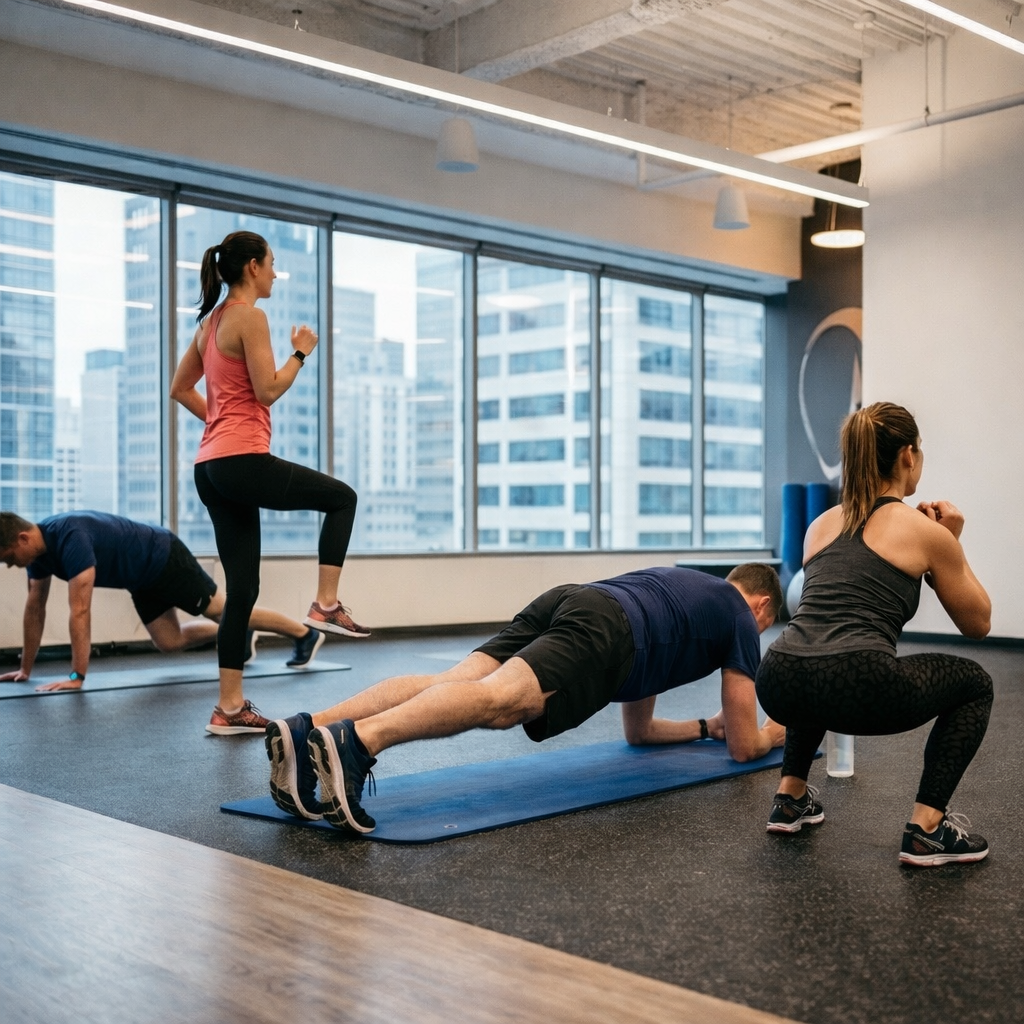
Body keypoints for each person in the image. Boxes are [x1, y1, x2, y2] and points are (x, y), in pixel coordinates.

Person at [264, 563, 786, 834]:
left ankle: (307, 728)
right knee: (499, 701)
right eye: (765, 622)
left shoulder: (685, 593)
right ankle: (358, 742)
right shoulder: (740, 615)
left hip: (576, 598)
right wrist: (778, 731)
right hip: (609, 628)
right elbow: (745, 747)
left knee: (456, 679)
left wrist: (702, 727)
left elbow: (639, 732)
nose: (757, 631)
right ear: (762, 605)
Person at [756, 402, 993, 867]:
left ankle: (790, 798)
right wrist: (951, 542)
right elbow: (978, 623)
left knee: (818, 654)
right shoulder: (925, 531)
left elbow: (825, 632)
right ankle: (927, 830)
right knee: (976, 683)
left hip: (778, 676)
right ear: (908, 455)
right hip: (863, 682)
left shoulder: (820, 525)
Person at [170, 230, 369, 735]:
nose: (276, 273)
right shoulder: (249, 317)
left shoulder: (208, 323)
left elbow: (180, 389)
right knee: (342, 498)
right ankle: (325, 604)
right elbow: (270, 389)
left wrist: (217, 424)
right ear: (253, 267)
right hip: (241, 460)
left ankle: (229, 708)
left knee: (242, 591)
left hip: (209, 468)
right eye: (273, 264)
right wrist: (300, 352)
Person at [0, 510, 325, 732]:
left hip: (163, 557)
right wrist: (26, 668)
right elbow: (34, 609)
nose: (12, 566)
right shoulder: (39, 558)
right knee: (169, 641)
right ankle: (238, 635)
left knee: (224, 609)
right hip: (142, 581)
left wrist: (76, 675)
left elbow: (80, 609)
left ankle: (304, 635)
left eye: (9, 558)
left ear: (23, 538)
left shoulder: (69, 536)